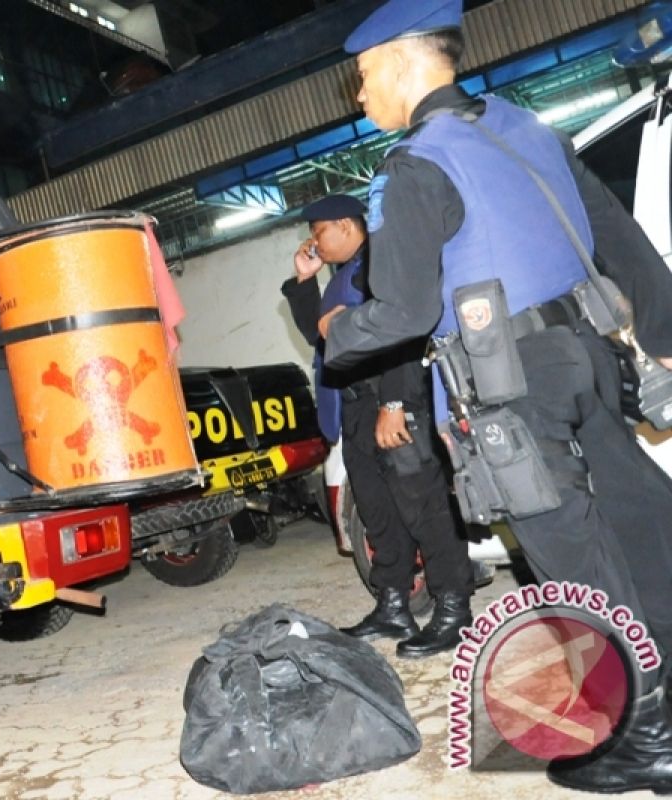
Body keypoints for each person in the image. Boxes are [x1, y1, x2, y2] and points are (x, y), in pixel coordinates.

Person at [319, 0, 672, 791]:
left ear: (406, 63)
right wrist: (663, 334)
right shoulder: (525, 128)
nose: (362, 94)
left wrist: (338, 336)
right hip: (585, 352)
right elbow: (619, 235)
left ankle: (644, 735)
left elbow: (406, 311)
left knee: (569, 550)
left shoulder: (414, 167)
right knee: (635, 516)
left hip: (508, 377)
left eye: (366, 76)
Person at [282, 193, 476, 658]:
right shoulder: (340, 277)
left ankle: (453, 606)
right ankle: (393, 604)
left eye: (320, 232)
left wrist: (395, 402)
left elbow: (405, 335)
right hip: (356, 408)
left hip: (391, 399)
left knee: (423, 505)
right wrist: (304, 283)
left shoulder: (384, 263)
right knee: (378, 512)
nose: (314, 242)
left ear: (348, 226)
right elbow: (321, 338)